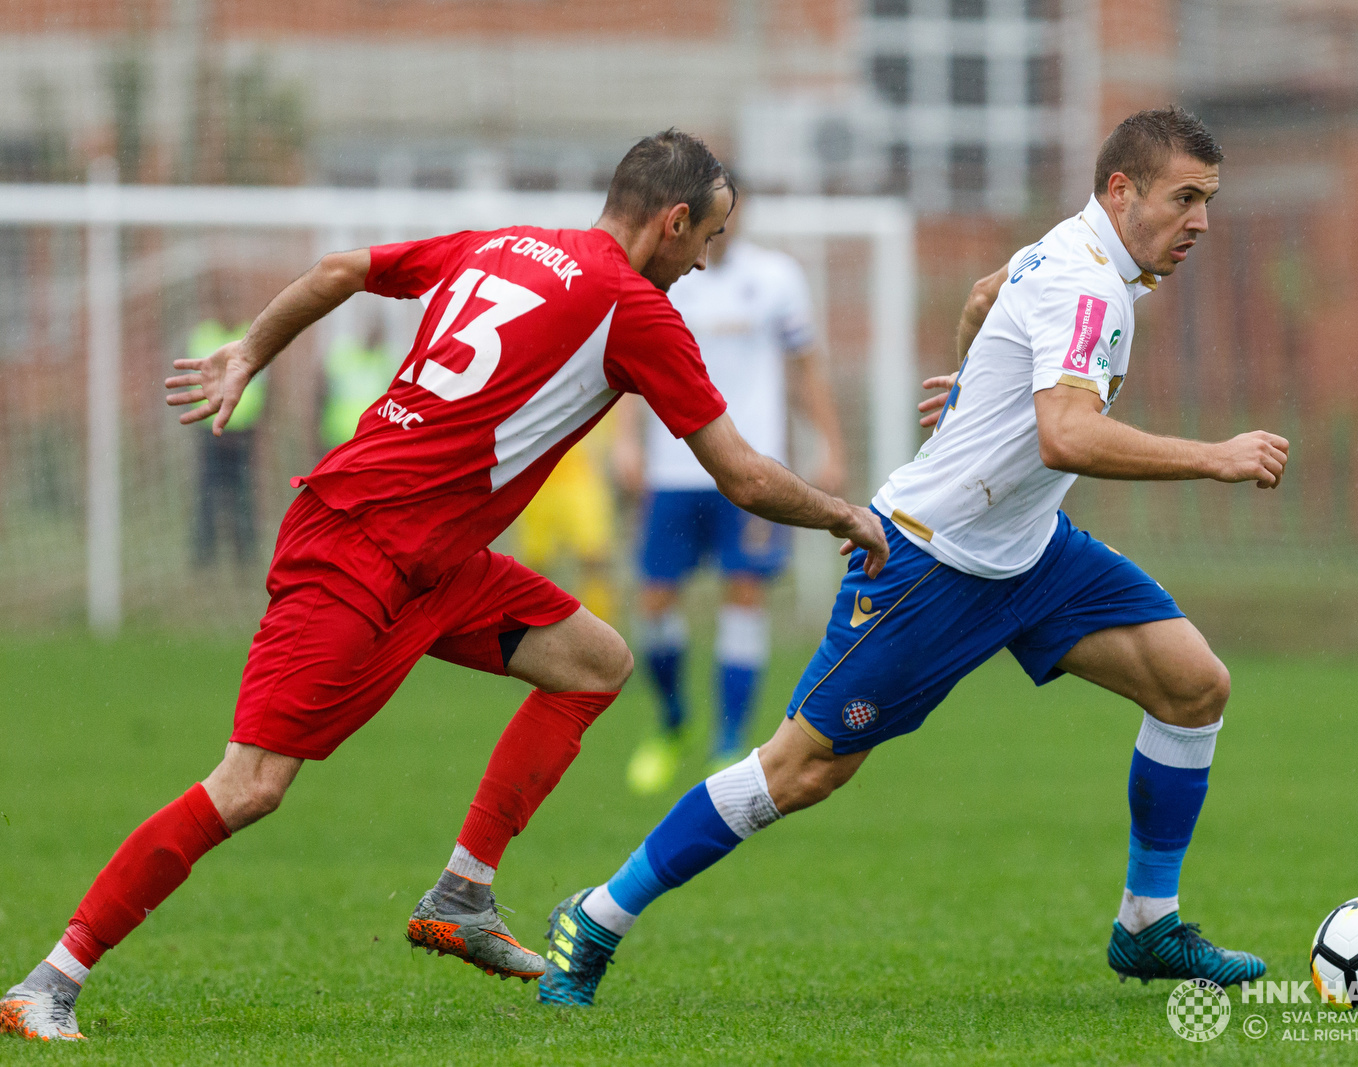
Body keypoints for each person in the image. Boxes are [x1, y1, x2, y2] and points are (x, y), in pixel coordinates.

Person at [0, 129, 888, 1044]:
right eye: (706, 238)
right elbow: (739, 474)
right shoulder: (632, 307)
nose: (705, 261)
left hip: (434, 560)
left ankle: (463, 890)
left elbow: (342, 268)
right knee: (252, 783)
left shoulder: (501, 244)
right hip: (356, 546)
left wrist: (249, 352)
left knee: (593, 661)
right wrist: (843, 514)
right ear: (671, 222)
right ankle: (49, 979)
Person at [536, 107, 1289, 1008]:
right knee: (800, 770)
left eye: (1208, 200)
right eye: (1186, 198)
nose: (1201, 220)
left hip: (1032, 554)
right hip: (927, 564)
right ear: (1121, 191)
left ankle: (1145, 923)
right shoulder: (1089, 285)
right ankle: (600, 914)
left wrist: (975, 380)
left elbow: (982, 293)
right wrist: (1217, 455)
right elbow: (1066, 436)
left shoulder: (1081, 251)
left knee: (1193, 685)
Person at [614, 200, 849, 793]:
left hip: (752, 468)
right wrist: (627, 443)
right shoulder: (660, 281)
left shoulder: (776, 279)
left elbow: (805, 368)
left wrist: (830, 444)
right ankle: (672, 724)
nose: (721, 226)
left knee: (743, 595)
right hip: (674, 467)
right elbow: (631, 365)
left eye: (729, 212)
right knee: (656, 603)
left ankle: (726, 743)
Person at [511, 411, 620, 623]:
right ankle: (535, 627)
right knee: (535, 565)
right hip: (538, 477)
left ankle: (598, 629)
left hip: (583, 474)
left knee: (594, 558)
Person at [190, 315, 267, 566]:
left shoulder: (250, 336)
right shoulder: (203, 336)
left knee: (243, 498)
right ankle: (204, 556)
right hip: (211, 434)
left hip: (242, 436)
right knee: (207, 499)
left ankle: (245, 555)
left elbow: (264, 388)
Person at [320, 320, 398, 452]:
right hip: (339, 435)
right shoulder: (346, 356)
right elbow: (323, 390)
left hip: (364, 437)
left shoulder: (385, 365)